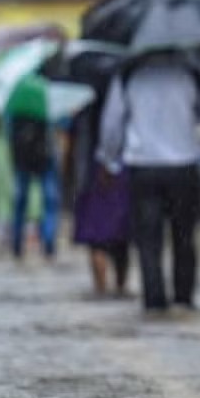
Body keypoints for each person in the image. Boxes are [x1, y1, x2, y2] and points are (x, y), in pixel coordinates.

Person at [95, 50, 200, 316]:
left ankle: (154, 302)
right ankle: (183, 299)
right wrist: (196, 132)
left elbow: (111, 124)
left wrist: (108, 160)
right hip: (184, 166)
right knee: (184, 236)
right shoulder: (193, 73)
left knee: (148, 239)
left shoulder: (129, 75)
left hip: (143, 167)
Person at [70, 99, 133, 299]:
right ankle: (119, 288)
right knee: (120, 236)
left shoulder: (84, 101)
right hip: (123, 169)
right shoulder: (125, 92)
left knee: (97, 237)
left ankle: (101, 290)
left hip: (94, 172)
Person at [7, 110, 61, 262]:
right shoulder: (48, 102)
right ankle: (48, 244)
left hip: (25, 157)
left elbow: (8, 132)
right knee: (49, 200)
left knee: (21, 200)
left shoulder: (16, 105)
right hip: (44, 155)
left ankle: (18, 243)